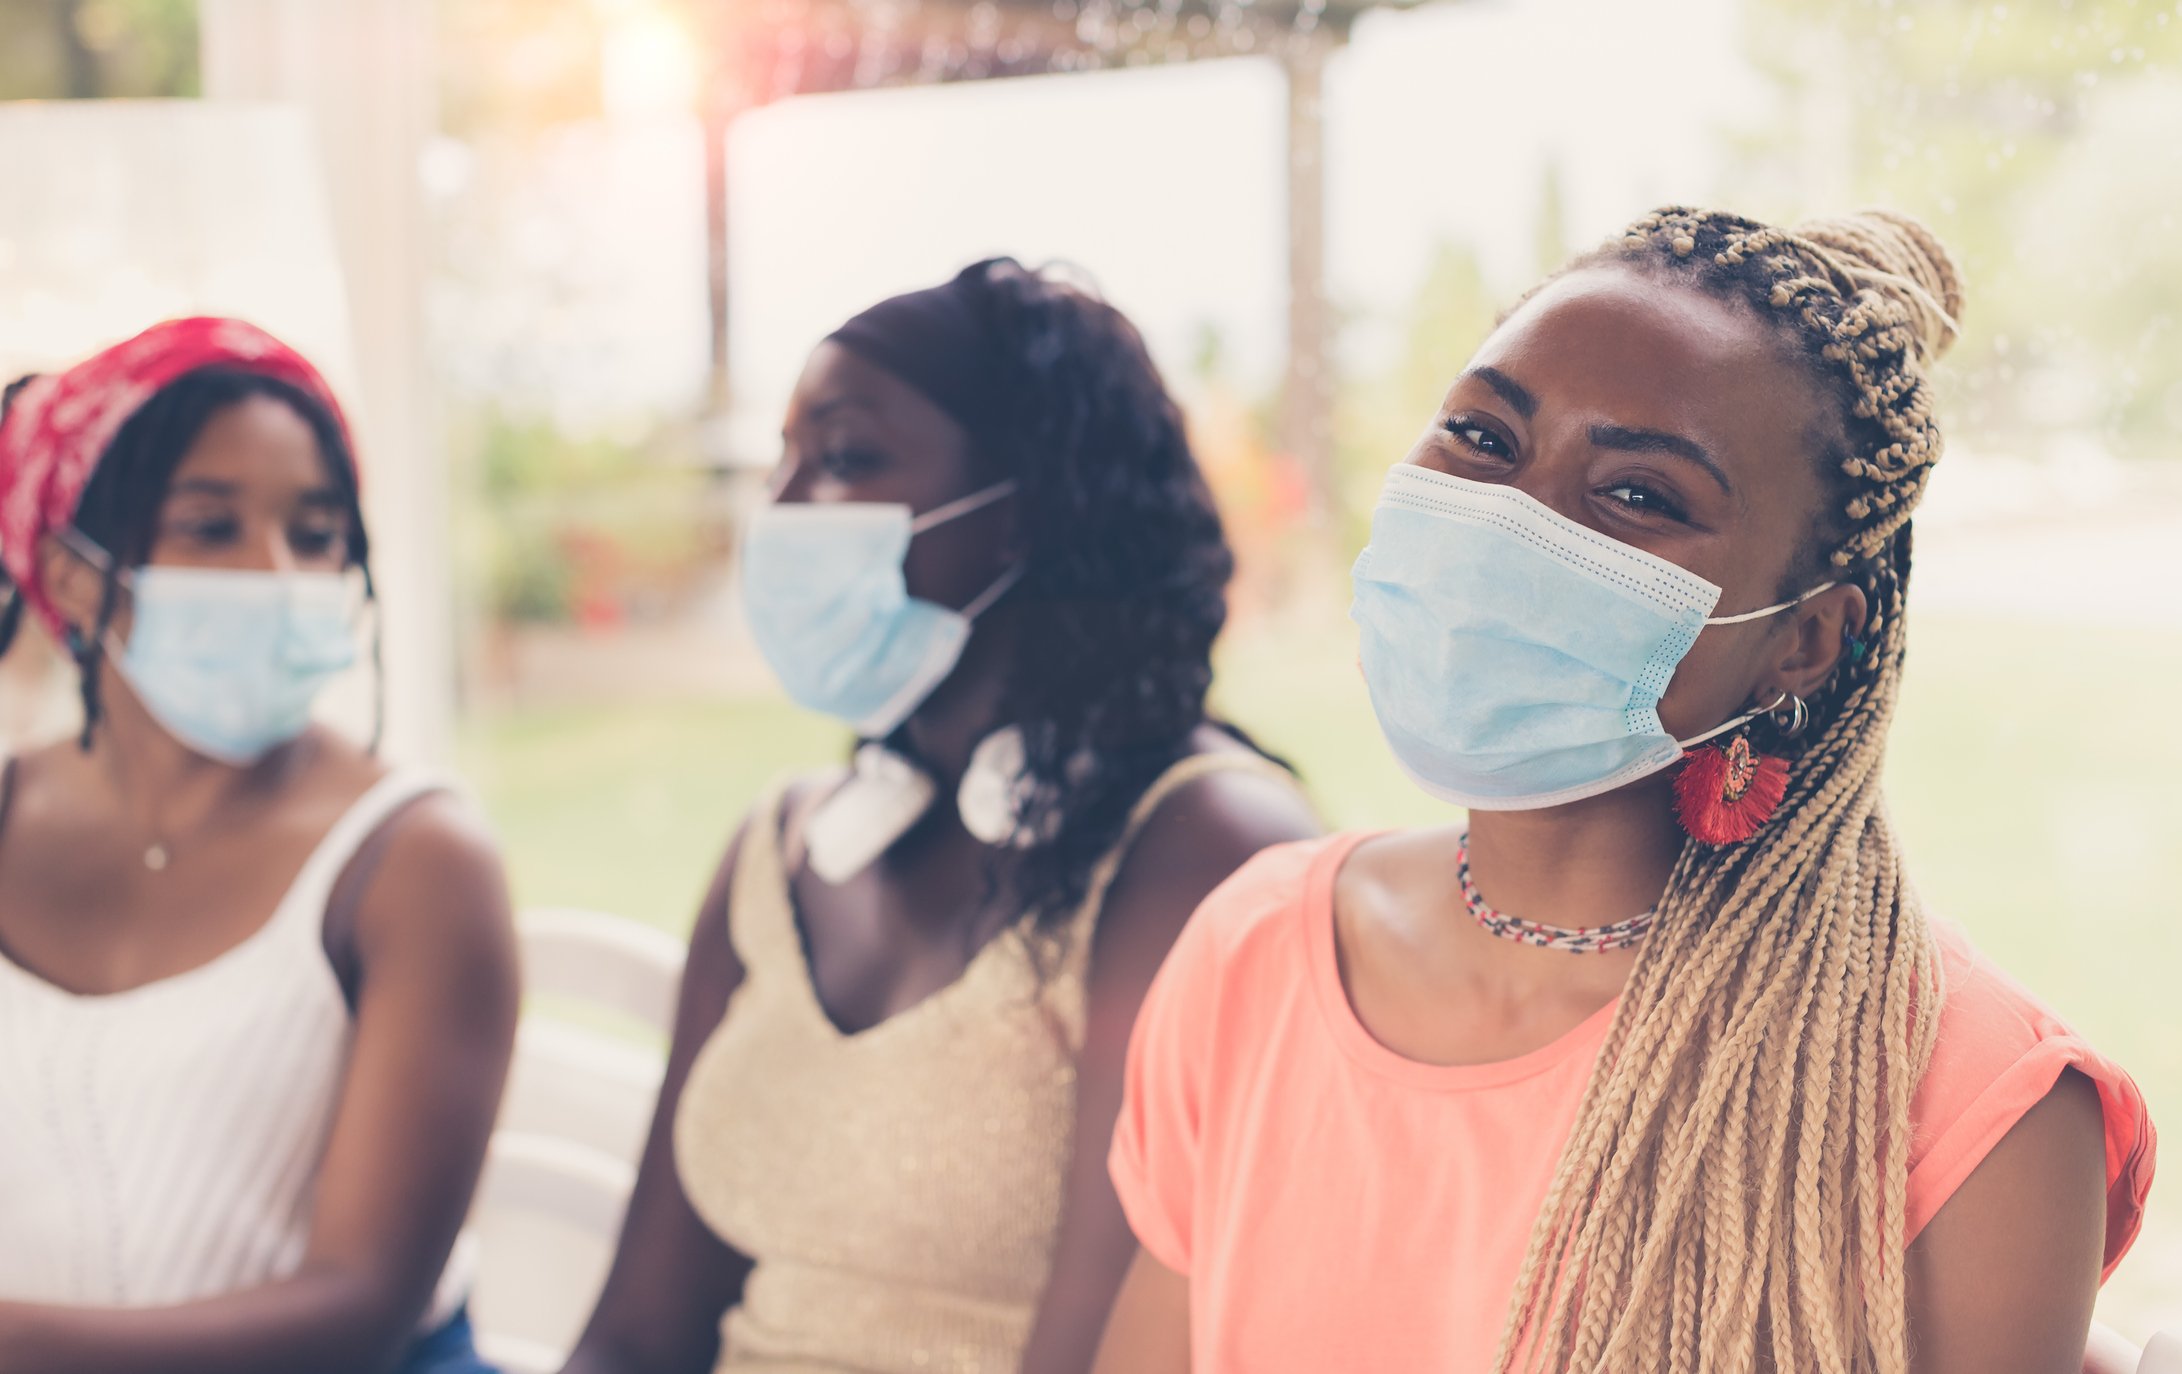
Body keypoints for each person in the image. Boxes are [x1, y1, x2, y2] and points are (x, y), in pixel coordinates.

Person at [1095, 209, 2157, 1374]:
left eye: (1640, 495)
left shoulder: (1964, 1100)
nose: (1511, 514)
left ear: (1802, 642)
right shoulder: (1250, 952)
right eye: (1483, 436)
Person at [558, 259, 1320, 1374]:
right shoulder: (776, 854)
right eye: (785, 461)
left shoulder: (1201, 851)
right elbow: (632, 1338)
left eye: (846, 458)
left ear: (1027, 509)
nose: (780, 510)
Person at [0, 319, 519, 1374]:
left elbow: (361, 1307)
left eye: (316, 535)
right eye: (210, 527)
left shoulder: (418, 863)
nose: (275, 574)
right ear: (76, 576)